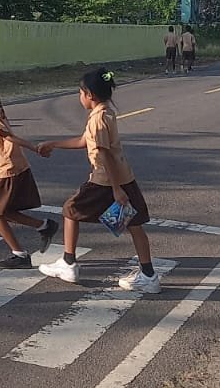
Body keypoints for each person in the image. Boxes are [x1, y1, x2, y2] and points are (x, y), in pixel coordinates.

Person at [37, 65, 161, 294]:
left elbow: (103, 154)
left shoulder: (98, 119)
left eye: (80, 93)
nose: (79, 97)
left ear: (89, 95)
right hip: (124, 177)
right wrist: (53, 144)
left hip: (105, 180)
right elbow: (84, 141)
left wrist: (115, 189)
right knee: (135, 224)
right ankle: (148, 275)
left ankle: (68, 263)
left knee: (70, 210)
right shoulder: (105, 113)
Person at [0, 71, 58, 265]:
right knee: (4, 211)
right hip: (13, 163)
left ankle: (21, 254)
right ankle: (44, 226)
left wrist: (34, 147)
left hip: (8, 166)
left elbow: (6, 135)